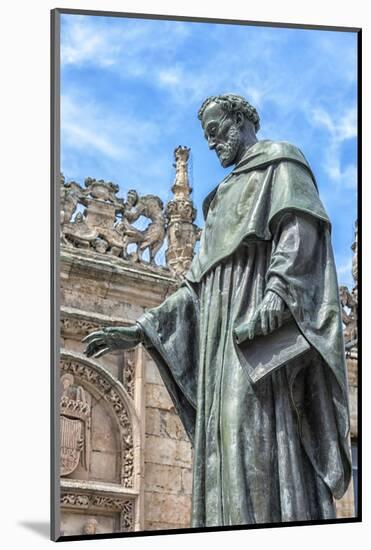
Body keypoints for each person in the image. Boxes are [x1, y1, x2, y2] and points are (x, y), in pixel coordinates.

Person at [83, 94, 351, 527]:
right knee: (220, 453)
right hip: (218, 348)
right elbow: (194, 287)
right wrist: (140, 329)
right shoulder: (222, 196)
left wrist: (278, 294)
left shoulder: (282, 164)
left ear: (243, 121)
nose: (212, 143)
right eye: (206, 136)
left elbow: (299, 232)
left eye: (217, 131)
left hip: (256, 343)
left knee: (253, 441)